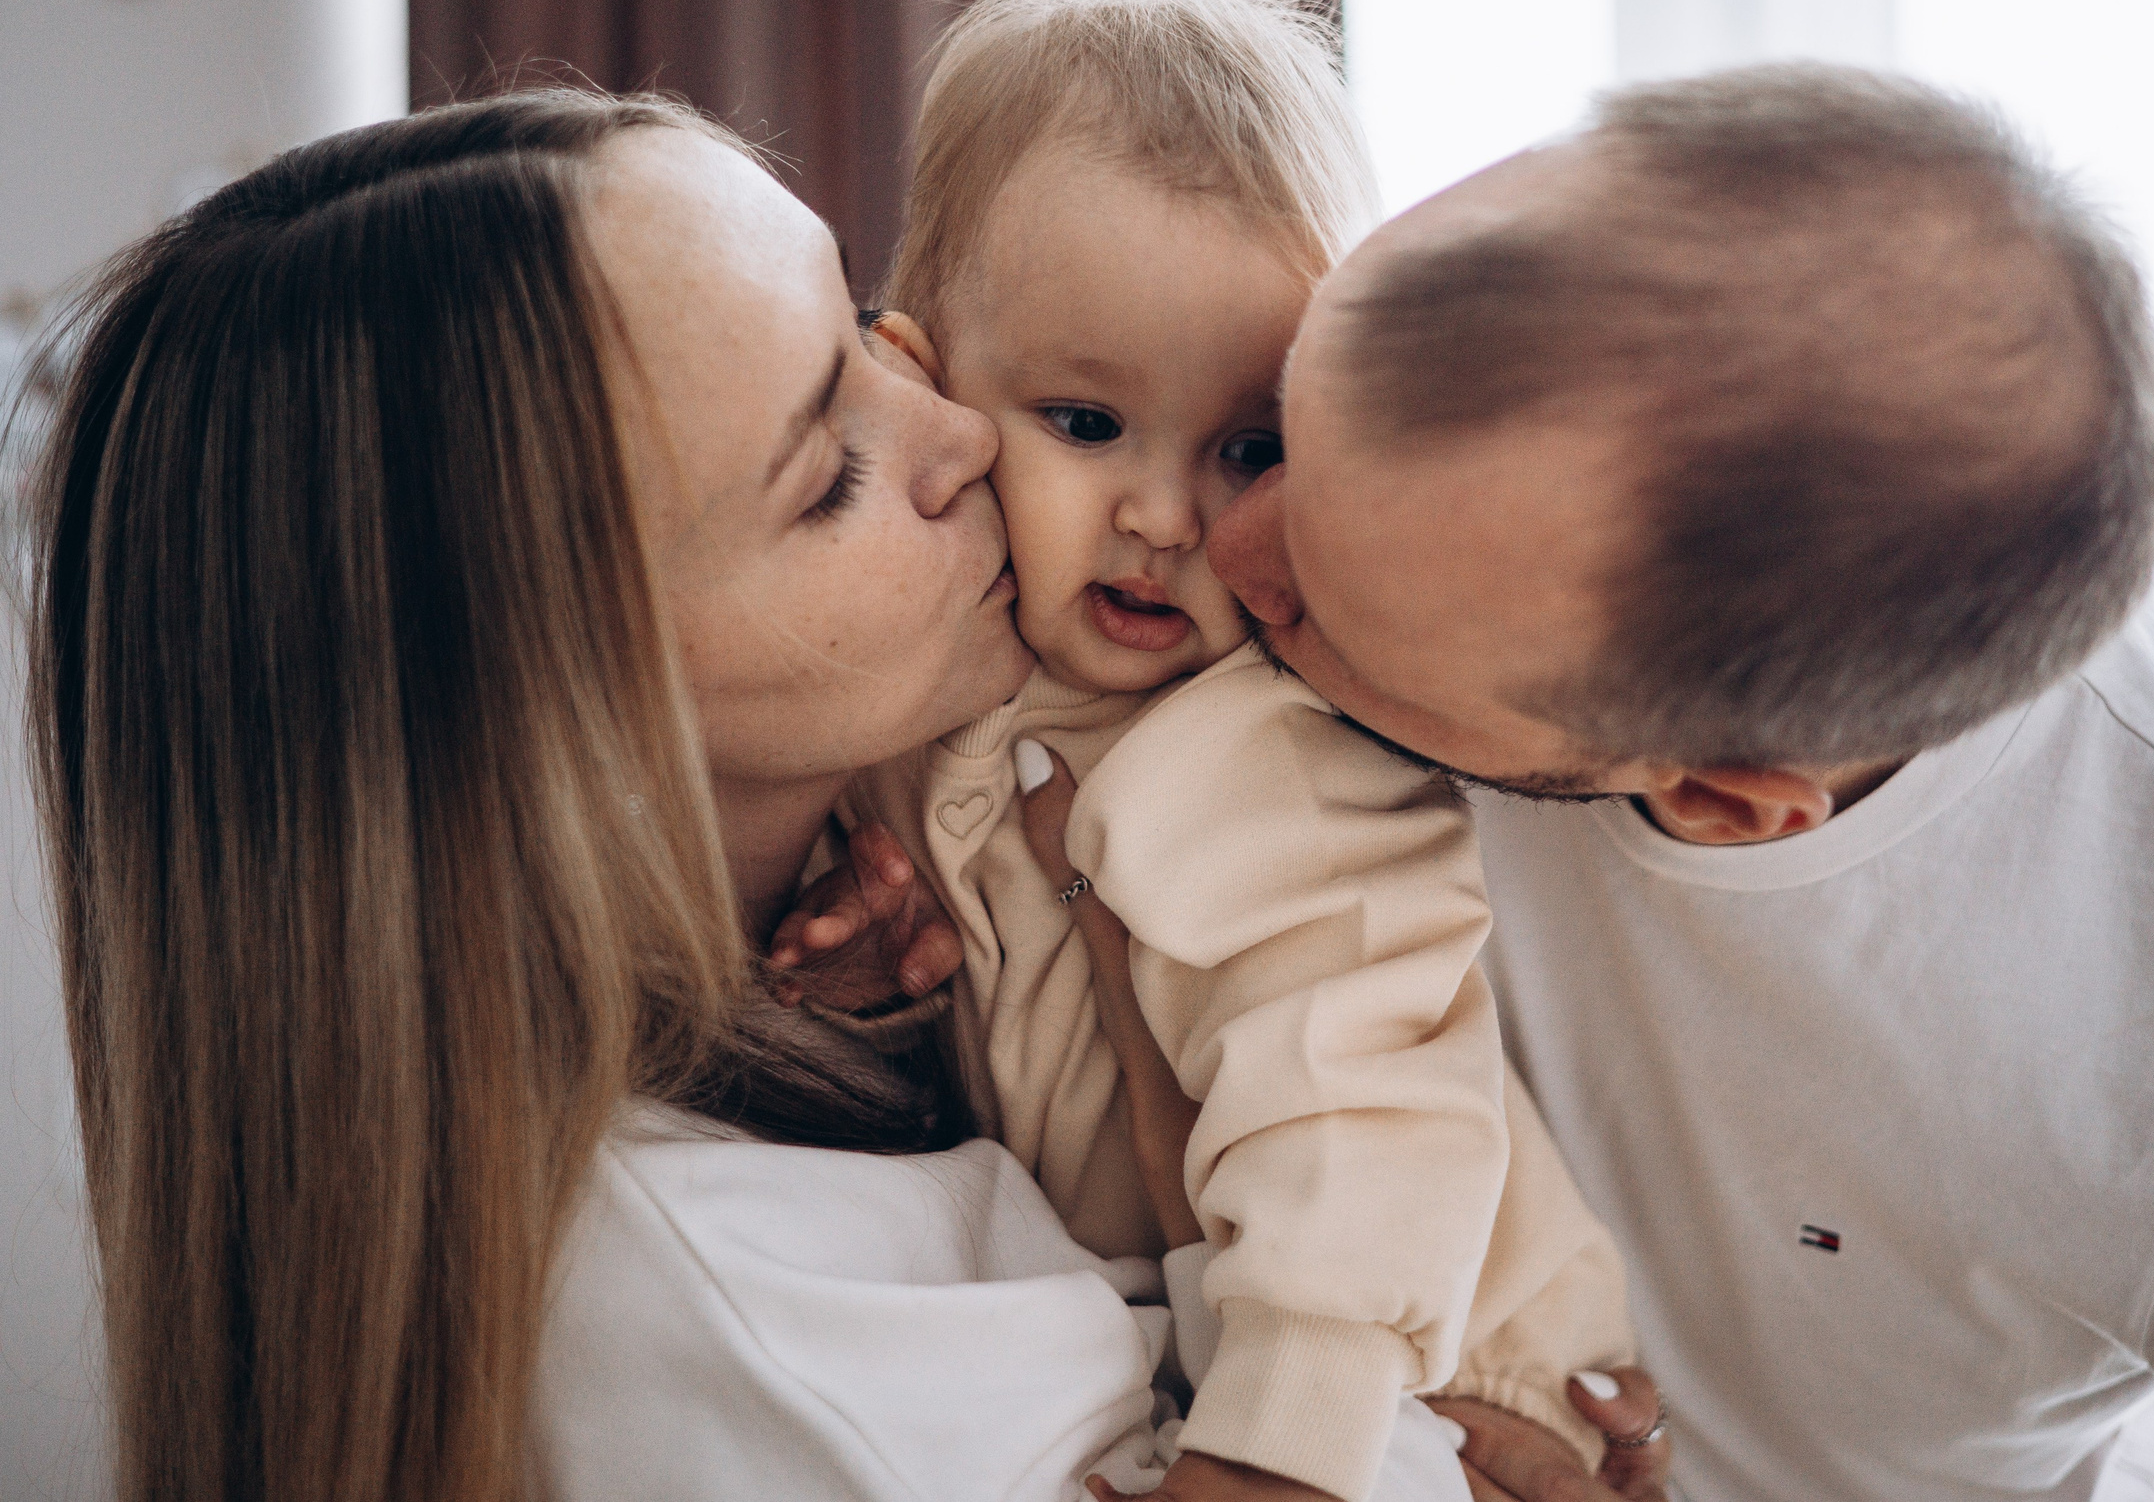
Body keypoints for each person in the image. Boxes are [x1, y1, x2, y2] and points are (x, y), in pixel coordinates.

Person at [17, 89, 1497, 1502]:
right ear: (564, 718)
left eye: (861, 327)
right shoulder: (726, 1303)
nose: (962, 427)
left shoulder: (894, 921)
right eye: (826, 476)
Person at [1204, 64, 2154, 1502]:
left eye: (1319, 617)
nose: (1224, 548)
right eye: (1273, 435)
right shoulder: (1461, 489)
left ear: (1726, 797)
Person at [774, 0, 1633, 1502]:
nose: (1163, 515)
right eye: (1086, 424)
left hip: (1428, 1377)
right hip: (1184, 1339)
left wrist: (1283, 1455)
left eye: (1249, 446)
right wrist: (858, 991)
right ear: (927, 382)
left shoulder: (1275, 751)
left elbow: (1362, 1119)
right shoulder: (915, 706)